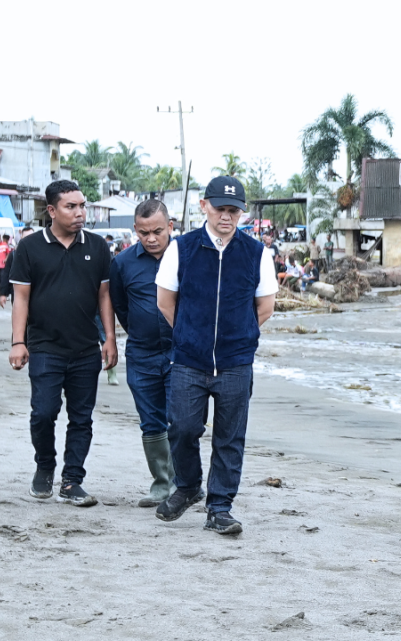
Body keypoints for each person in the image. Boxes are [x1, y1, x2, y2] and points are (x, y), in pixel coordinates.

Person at [155, 176, 277, 535]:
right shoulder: (182, 248)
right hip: (189, 360)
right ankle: (189, 485)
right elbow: (165, 301)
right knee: (182, 427)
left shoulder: (256, 253)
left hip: (236, 362)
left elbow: (265, 307)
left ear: (241, 213)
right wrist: (191, 333)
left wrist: (237, 335)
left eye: (233, 210)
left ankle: (220, 507)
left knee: (229, 436)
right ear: (204, 206)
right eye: (220, 208)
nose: (227, 216)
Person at [7, 180, 118, 507]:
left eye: (82, 205)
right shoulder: (29, 248)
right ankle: (45, 466)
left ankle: (72, 481)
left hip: (86, 350)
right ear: (51, 210)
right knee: (43, 412)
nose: (80, 212)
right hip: (44, 347)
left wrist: (109, 338)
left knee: (82, 418)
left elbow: (104, 296)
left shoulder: (98, 247)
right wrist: (17, 342)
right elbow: (21, 298)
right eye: (71, 207)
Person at [110, 199, 176, 508]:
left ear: (170, 227)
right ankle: (162, 484)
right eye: (144, 232)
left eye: (158, 231)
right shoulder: (123, 263)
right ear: (135, 229)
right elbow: (120, 306)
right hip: (142, 353)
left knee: (184, 421)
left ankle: (186, 484)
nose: (151, 239)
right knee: (151, 421)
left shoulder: (186, 256)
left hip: (183, 353)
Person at [0, 228, 34, 308]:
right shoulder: (14, 255)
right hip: (18, 294)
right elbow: (6, 273)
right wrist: (3, 294)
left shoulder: (40, 254)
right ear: (21, 238)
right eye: (26, 237)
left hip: (36, 294)